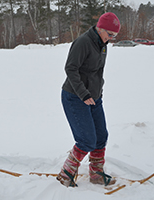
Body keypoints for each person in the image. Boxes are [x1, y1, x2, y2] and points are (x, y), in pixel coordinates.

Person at [57, 12, 120, 187]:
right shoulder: (83, 42)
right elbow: (70, 69)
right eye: (110, 34)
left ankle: (96, 174)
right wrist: (84, 94)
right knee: (87, 140)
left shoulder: (103, 44)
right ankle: (66, 174)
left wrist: (98, 92)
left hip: (94, 98)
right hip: (75, 96)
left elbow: (97, 72)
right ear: (100, 28)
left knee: (101, 136)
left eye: (115, 35)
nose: (112, 38)